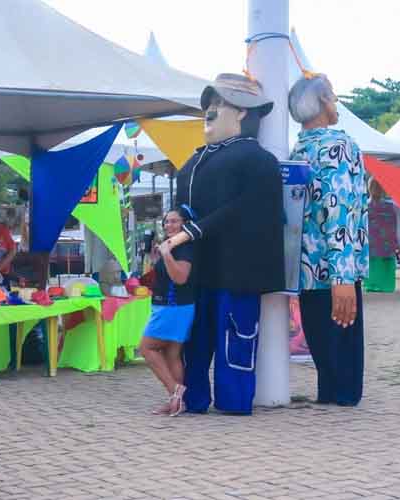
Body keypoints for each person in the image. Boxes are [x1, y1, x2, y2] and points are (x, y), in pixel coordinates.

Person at [167, 73, 285, 415]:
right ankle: (195, 397)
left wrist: (194, 231)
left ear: (244, 112)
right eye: (210, 103)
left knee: (236, 337)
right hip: (198, 270)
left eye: (219, 103)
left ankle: (234, 401)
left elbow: (245, 209)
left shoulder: (258, 160)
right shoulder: (196, 160)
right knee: (195, 340)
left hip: (239, 271)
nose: (211, 110)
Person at [289, 73, 369, 407]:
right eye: (333, 96)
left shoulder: (297, 149)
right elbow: (340, 213)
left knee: (328, 369)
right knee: (345, 383)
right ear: (322, 101)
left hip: (306, 273)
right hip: (337, 273)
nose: (336, 102)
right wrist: (344, 278)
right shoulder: (339, 146)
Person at [139, 207, 195, 417]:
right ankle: (177, 402)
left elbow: (180, 277)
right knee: (172, 354)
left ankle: (175, 391)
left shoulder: (183, 248)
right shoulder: (172, 246)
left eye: (174, 221)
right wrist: (158, 258)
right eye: (166, 222)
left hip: (173, 307)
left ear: (185, 224)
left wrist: (166, 254)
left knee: (146, 348)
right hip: (173, 306)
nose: (168, 225)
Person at [365, 179, 398, 293]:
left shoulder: (364, 206)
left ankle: (372, 284)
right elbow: (397, 225)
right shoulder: (392, 206)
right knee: (385, 263)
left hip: (371, 243)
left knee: (373, 264)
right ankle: (386, 285)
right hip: (387, 243)